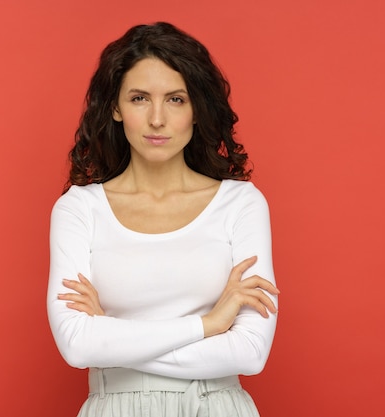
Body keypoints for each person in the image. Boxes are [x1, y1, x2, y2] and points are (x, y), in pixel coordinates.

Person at [47, 22, 279, 417]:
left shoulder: (241, 204)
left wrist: (113, 338)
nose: (157, 119)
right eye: (139, 98)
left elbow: (250, 352)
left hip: (217, 407)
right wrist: (207, 325)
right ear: (116, 107)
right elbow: (77, 345)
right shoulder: (79, 209)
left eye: (175, 99)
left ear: (196, 110)